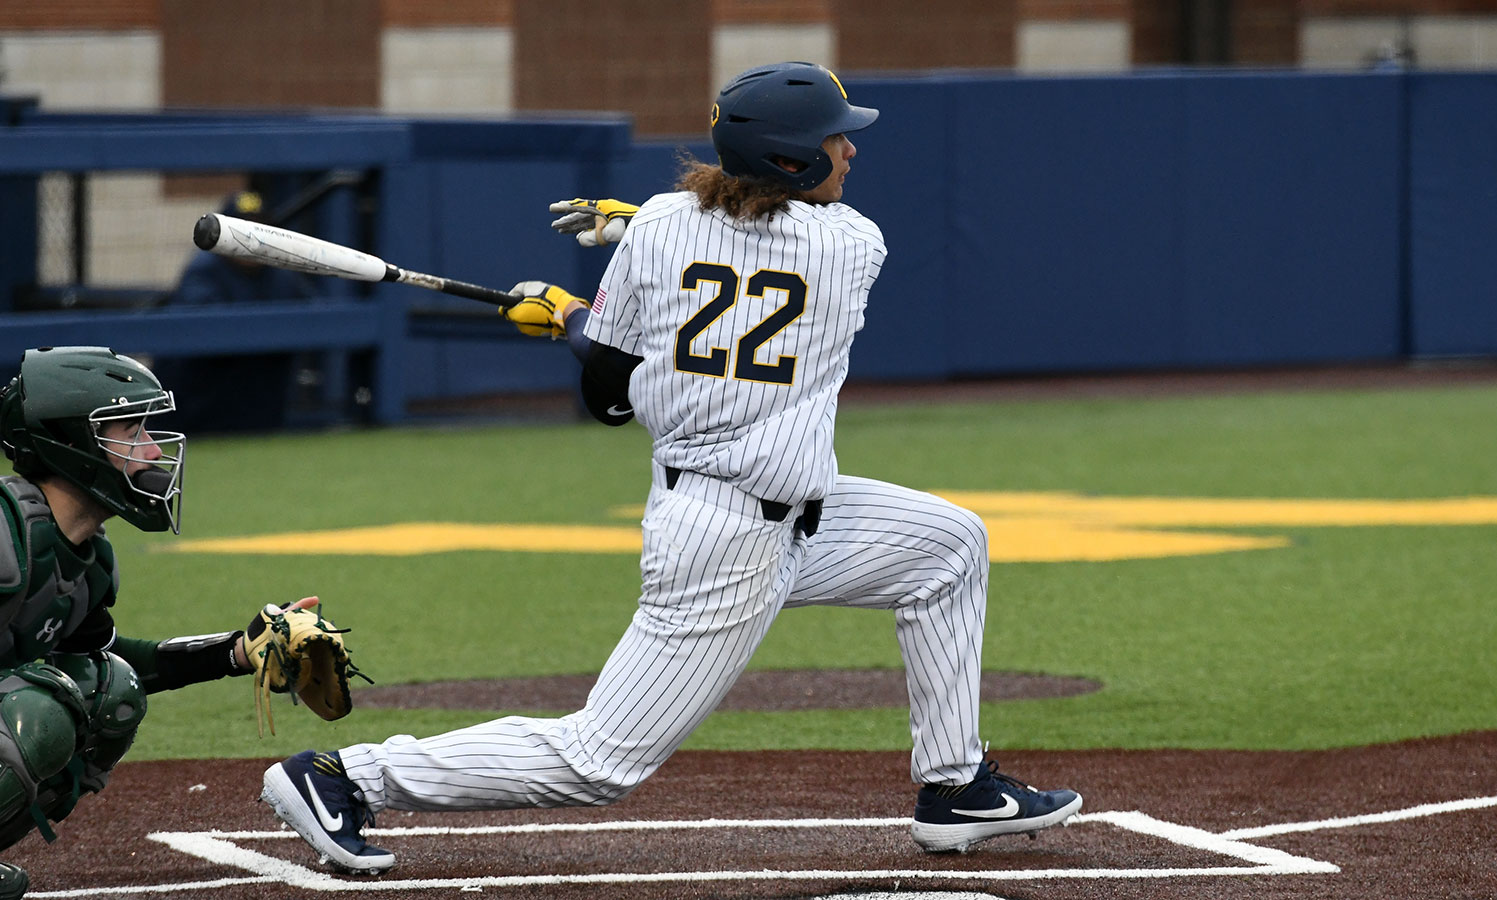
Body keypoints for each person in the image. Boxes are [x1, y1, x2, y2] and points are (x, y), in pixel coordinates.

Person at [260, 61, 1082, 874]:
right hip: (727, 542)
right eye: (835, 140)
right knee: (599, 762)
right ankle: (344, 776)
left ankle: (956, 787)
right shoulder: (850, 244)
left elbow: (609, 396)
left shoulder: (659, 226)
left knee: (947, 546)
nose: (851, 151)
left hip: (780, 511)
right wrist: (600, 290)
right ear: (790, 162)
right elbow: (738, 258)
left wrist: (574, 316)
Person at [0, 346, 337, 899]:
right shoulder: (5, 532)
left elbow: (108, 659)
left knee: (108, 692)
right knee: (36, 713)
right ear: (67, 442)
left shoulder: (85, 560)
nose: (152, 451)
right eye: (128, 432)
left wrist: (234, 652)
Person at [162, 190, 315, 433]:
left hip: (262, 414)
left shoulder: (280, 274)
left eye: (260, 229)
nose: (252, 239)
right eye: (243, 231)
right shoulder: (204, 272)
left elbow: (314, 318)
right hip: (200, 412)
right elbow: (204, 332)